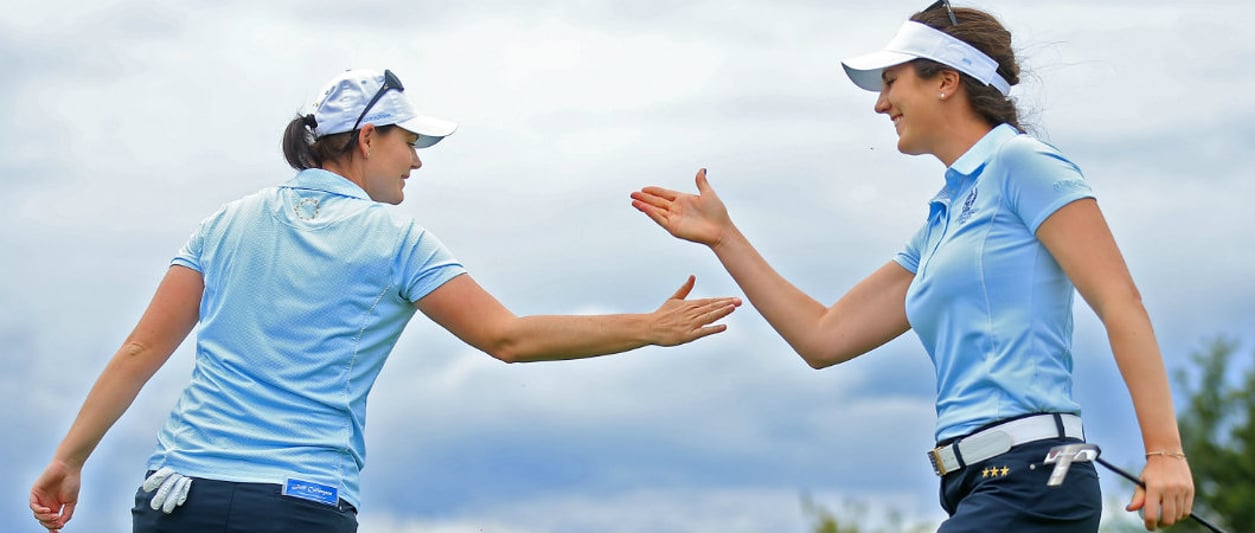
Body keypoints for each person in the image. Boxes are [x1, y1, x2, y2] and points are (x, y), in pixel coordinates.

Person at [29, 68, 742, 533]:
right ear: (368, 139)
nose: (419, 159)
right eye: (410, 141)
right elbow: (508, 337)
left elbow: (141, 349)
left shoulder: (225, 221)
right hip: (294, 504)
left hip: (176, 496)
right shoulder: (396, 240)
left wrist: (70, 456)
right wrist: (646, 328)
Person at [630, 2, 1194, 531]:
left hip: (1034, 480)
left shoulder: (1023, 163)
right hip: (977, 486)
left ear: (947, 80)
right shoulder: (944, 217)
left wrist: (1164, 453)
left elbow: (1120, 301)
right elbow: (823, 337)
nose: (880, 103)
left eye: (892, 81)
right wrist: (724, 238)